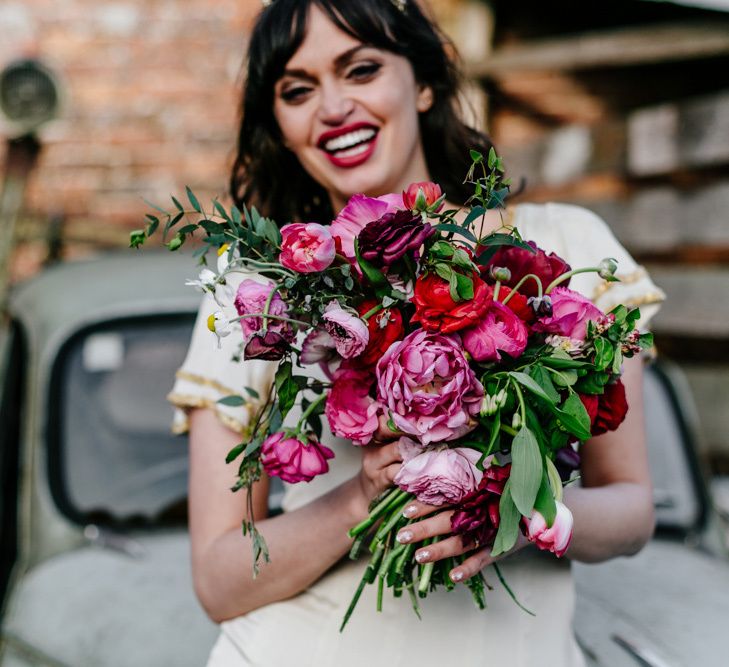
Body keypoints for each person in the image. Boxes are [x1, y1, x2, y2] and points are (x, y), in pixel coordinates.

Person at [167, 1, 666, 664]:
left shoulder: (563, 246)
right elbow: (219, 579)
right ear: (280, 125)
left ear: (422, 83)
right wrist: (363, 494)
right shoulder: (257, 293)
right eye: (297, 90)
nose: (332, 107)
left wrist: (522, 512)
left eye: (361, 69)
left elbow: (630, 509)